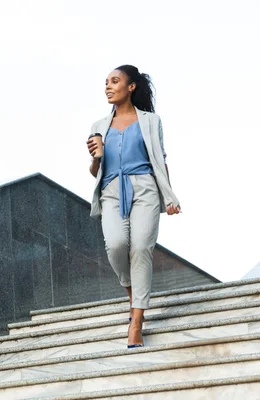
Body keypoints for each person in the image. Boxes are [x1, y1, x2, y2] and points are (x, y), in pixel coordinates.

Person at [86, 65, 181, 348]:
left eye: (115, 81)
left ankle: (136, 321)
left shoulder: (151, 121)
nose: (108, 86)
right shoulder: (98, 127)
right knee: (115, 246)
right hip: (111, 191)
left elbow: (159, 160)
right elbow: (95, 171)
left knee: (141, 248)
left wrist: (170, 196)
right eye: (106, 82)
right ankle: (133, 296)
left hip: (146, 189)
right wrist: (95, 158)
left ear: (131, 87)